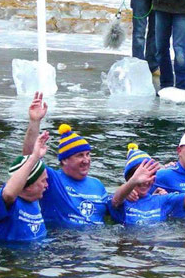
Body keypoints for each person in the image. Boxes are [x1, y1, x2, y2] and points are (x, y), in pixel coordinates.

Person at [22, 92, 115, 229]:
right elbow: (28, 158)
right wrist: (35, 122)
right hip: (63, 243)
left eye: (88, 154)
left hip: (95, 244)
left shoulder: (97, 185)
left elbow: (113, 211)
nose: (86, 160)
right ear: (64, 160)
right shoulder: (51, 180)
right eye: (80, 155)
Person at [111, 144, 185, 225]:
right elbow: (116, 200)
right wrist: (133, 182)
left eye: (150, 174)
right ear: (129, 178)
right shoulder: (123, 201)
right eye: (139, 175)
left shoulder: (162, 200)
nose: (144, 180)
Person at [0, 131, 50, 243]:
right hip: (10, 258)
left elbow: (26, 157)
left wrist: (35, 121)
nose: (47, 185)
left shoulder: (33, 199)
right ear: (28, 186)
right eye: (43, 181)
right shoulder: (4, 202)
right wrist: (34, 157)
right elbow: (9, 194)